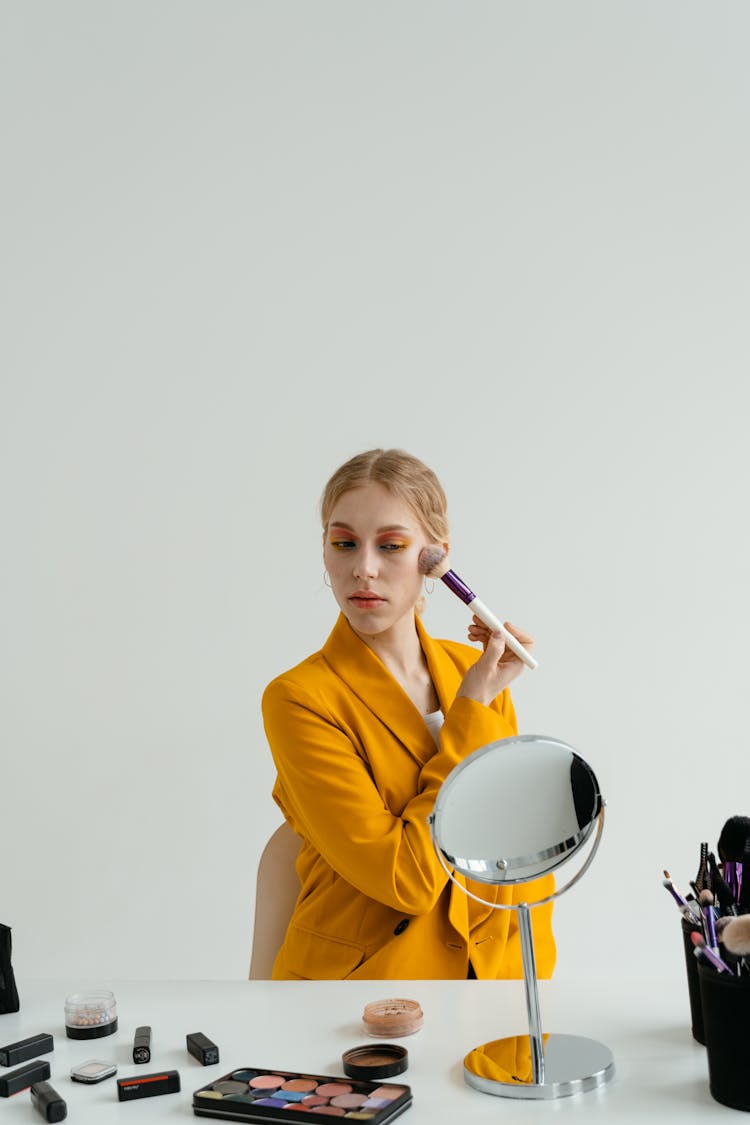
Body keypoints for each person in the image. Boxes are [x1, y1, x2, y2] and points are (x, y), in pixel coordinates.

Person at [262, 448, 555, 980]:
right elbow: (408, 879)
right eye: (343, 543)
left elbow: (515, 853)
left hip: (494, 979)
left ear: (435, 557)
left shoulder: (476, 670)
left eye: (391, 546)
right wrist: (468, 713)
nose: (363, 568)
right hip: (360, 996)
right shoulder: (299, 698)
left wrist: (527, 980)